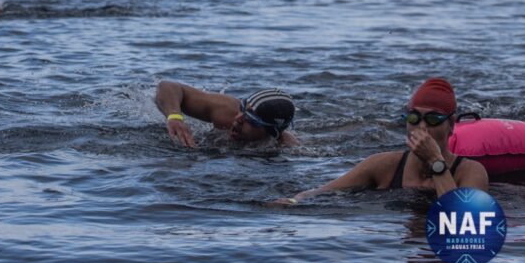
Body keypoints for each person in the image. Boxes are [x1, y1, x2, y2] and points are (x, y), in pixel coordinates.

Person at [274, 78, 488, 205]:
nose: (422, 127)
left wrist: (436, 163)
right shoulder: (383, 166)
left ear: (450, 125)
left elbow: (462, 224)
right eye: (414, 117)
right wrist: (294, 201)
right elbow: (321, 193)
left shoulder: (470, 172)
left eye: (432, 119)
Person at [155, 81, 297, 148]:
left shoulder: (284, 147)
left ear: (270, 133)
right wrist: (175, 116)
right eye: (243, 110)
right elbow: (168, 86)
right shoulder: (226, 110)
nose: (238, 118)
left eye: (251, 121)